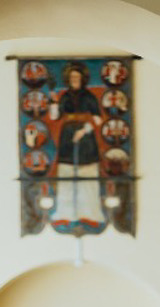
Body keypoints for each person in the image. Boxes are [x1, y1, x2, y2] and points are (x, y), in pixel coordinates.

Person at [48, 62, 105, 231]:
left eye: (77, 77)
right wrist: (53, 100)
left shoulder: (89, 96)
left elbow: (98, 120)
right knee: (66, 172)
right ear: (68, 79)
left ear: (82, 79)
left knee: (88, 175)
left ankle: (91, 214)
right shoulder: (64, 96)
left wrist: (84, 131)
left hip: (86, 138)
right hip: (67, 137)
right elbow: (55, 116)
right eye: (72, 77)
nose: (75, 80)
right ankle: (64, 214)